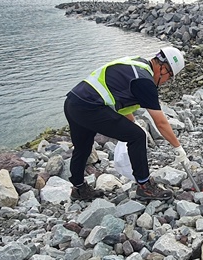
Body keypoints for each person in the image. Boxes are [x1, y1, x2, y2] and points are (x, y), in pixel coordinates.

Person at [64, 47, 190, 201]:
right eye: (169, 77)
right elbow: (161, 122)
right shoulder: (145, 81)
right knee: (137, 136)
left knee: (82, 148)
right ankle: (145, 187)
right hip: (90, 108)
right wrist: (178, 148)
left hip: (73, 102)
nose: (166, 82)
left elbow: (117, 95)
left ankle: (79, 189)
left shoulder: (138, 63)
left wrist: (133, 122)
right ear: (163, 69)